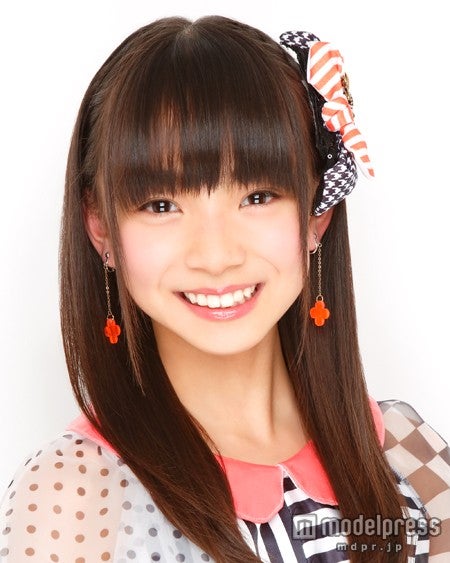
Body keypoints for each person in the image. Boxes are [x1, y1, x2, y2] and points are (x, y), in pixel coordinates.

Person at [0, 15, 449, 563]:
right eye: (161, 205)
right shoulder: (76, 497)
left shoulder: (407, 452)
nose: (216, 256)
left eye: (257, 197)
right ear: (101, 226)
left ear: (317, 212)